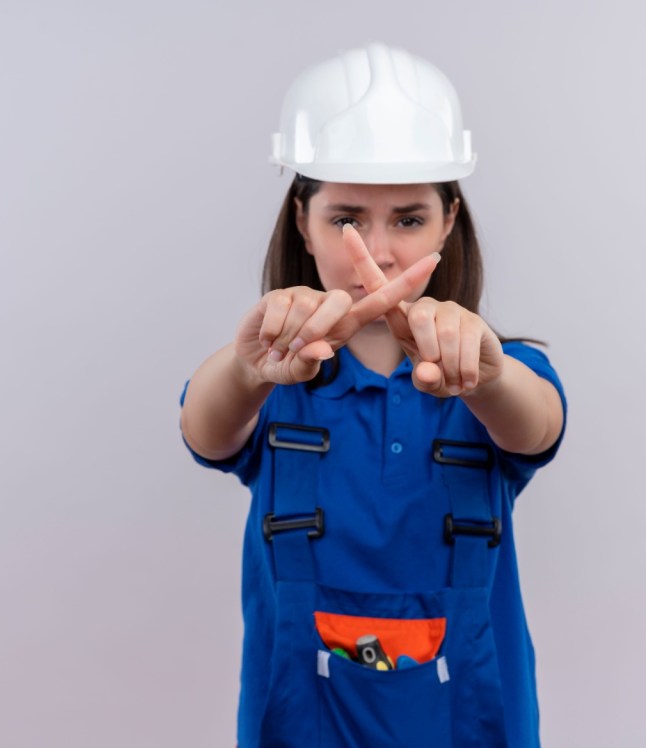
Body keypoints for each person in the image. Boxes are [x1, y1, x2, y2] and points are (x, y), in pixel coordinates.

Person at [179, 43, 566, 748]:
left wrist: (486, 374)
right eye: (347, 220)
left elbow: (536, 424)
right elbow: (204, 430)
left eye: (409, 219)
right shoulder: (270, 382)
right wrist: (251, 368)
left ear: (450, 220)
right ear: (303, 221)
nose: (378, 253)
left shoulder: (501, 372)